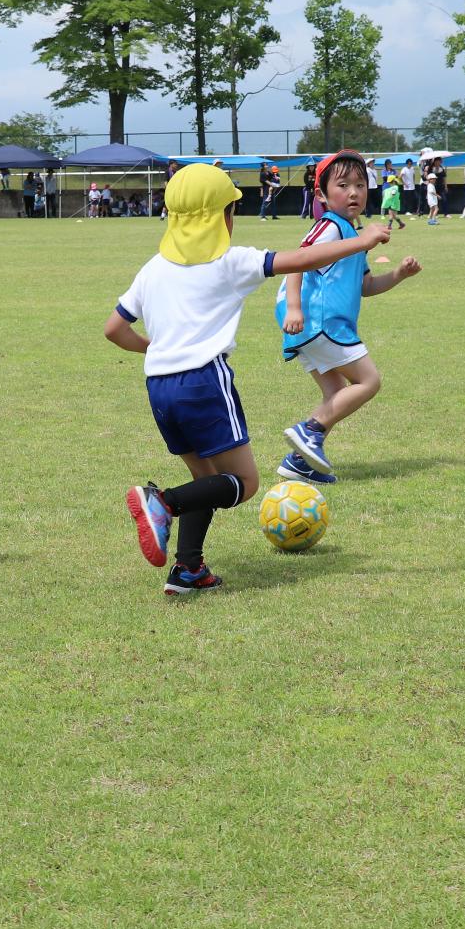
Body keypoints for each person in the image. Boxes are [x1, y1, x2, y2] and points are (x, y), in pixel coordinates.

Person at [107, 164, 387, 595]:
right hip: (203, 382)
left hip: (158, 388)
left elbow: (114, 330)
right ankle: (162, 502)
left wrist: (156, 348)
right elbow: (301, 259)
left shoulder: (153, 268)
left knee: (208, 482)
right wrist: (361, 240)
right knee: (244, 484)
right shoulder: (230, 262)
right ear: (222, 217)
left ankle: (189, 571)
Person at [275, 150, 421, 486]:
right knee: (369, 381)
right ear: (321, 195)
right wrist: (295, 307)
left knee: (336, 394)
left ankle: (300, 461)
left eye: (360, 184)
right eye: (343, 185)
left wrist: (398, 274)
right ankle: (309, 430)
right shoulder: (330, 226)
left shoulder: (353, 236)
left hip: (311, 325)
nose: (354, 191)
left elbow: (366, 286)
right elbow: (298, 260)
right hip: (317, 320)